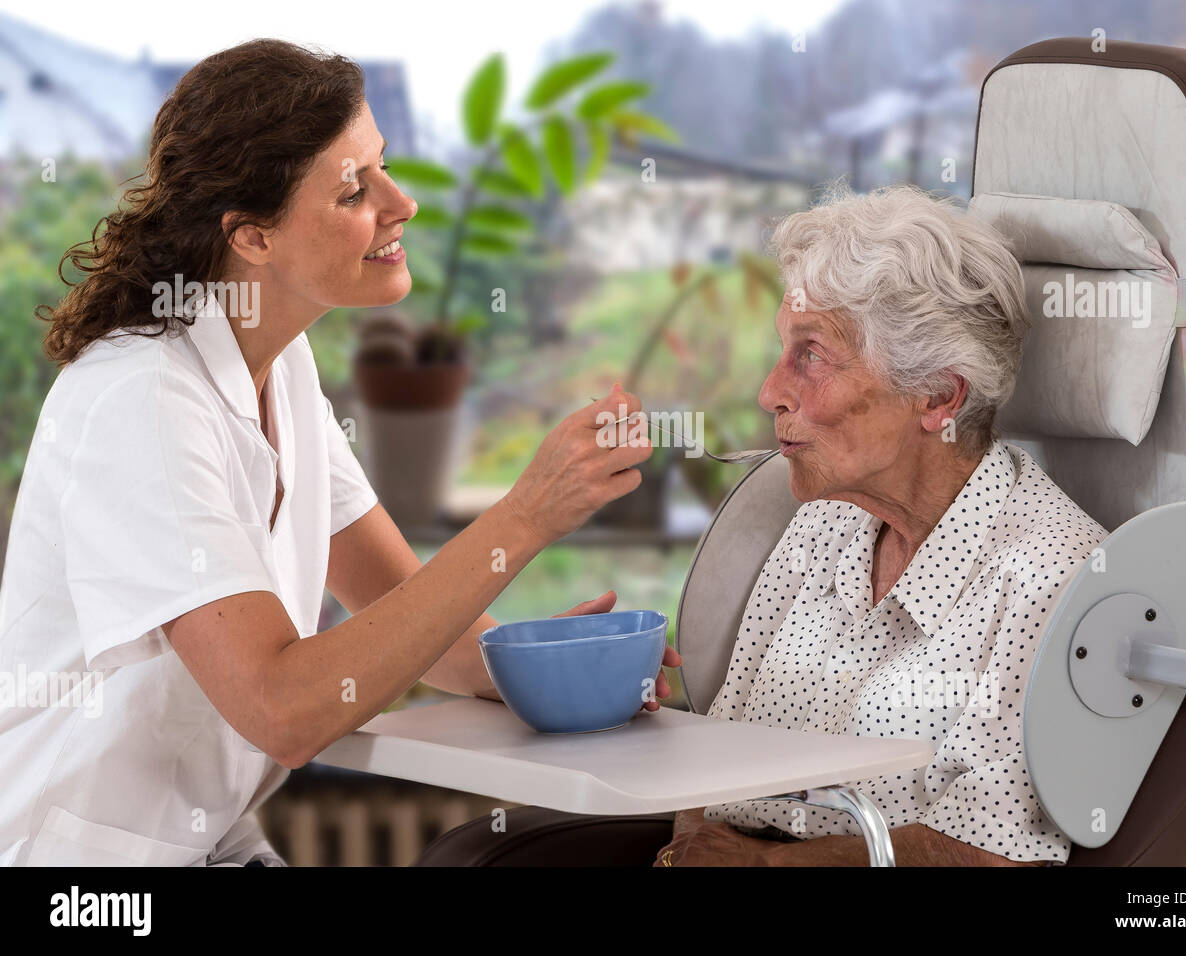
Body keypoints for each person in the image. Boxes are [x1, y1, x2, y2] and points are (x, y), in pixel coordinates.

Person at [0, 38, 678, 867]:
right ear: (251, 235)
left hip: (208, 845)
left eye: (383, 167)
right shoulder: (141, 401)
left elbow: (416, 619)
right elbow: (284, 711)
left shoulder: (279, 366)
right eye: (355, 189)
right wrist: (528, 513)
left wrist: (558, 668)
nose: (402, 205)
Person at [653, 183, 1106, 867]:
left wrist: (760, 868)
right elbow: (717, 752)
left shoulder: (1047, 572)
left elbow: (988, 853)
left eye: (810, 355)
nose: (770, 391)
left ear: (938, 395)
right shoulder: (821, 518)